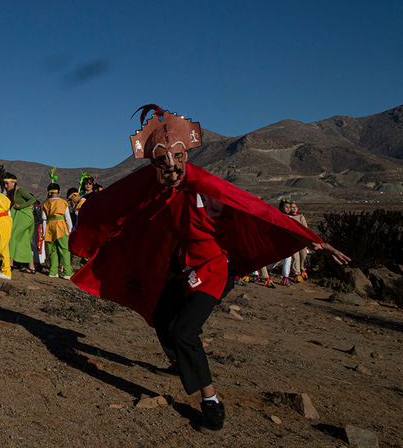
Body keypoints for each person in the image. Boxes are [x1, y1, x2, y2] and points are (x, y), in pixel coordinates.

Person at [70, 104, 350, 433]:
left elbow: (256, 210)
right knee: (160, 315)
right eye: (163, 162)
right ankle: (182, 362)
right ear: (154, 164)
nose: (172, 168)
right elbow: (116, 201)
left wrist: (313, 240)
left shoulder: (206, 188)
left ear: (186, 156)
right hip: (182, 268)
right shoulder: (155, 188)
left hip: (213, 269)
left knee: (184, 331)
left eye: (177, 159)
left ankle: (211, 402)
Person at [4, 173, 37, 274]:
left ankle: (10, 263)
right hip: (18, 216)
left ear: (13, 182)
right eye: (4, 184)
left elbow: (33, 199)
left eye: (7, 183)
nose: (5, 186)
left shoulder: (20, 190)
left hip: (24, 216)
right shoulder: (11, 192)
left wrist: (21, 206)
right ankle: (31, 267)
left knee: (13, 237)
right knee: (23, 240)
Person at [42, 183, 73, 279]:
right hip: (60, 226)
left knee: (52, 250)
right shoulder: (63, 202)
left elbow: (43, 218)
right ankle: (68, 273)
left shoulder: (45, 203)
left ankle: (53, 271)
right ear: (59, 192)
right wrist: (70, 229)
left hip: (50, 227)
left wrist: (44, 232)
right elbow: (67, 217)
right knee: (64, 250)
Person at [289, 202, 309, 280]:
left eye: (295, 207)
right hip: (293, 240)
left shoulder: (301, 217)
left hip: (302, 239)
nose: (294, 208)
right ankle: (296, 272)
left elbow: (305, 227)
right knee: (295, 257)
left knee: (303, 255)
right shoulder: (289, 217)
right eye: (292, 207)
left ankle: (303, 270)